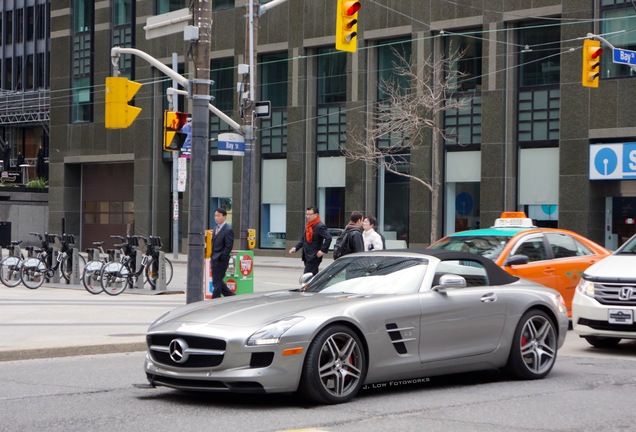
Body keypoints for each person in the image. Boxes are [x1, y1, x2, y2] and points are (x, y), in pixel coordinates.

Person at [289, 206, 332, 275]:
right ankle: (317, 285)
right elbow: (303, 239)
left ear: (316, 215)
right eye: (307, 214)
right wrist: (296, 247)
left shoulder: (320, 226)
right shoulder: (309, 225)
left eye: (310, 214)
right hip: (307, 255)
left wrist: (322, 250)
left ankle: (307, 286)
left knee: (307, 275)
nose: (308, 216)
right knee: (313, 275)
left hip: (314, 255)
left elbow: (328, 238)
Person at [211, 208, 235, 298]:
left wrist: (223, 256)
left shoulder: (228, 230)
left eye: (218, 216)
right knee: (218, 281)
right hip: (214, 259)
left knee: (216, 282)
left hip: (221, 259)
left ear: (224, 217)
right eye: (215, 216)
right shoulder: (215, 229)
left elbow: (229, 246)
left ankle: (215, 300)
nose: (216, 218)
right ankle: (231, 296)